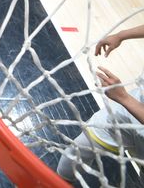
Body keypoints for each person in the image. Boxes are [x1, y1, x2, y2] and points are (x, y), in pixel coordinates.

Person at [56, 24, 144, 181]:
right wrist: (121, 35)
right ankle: (56, 183)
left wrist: (124, 98)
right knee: (80, 149)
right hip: (135, 106)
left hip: (132, 104)